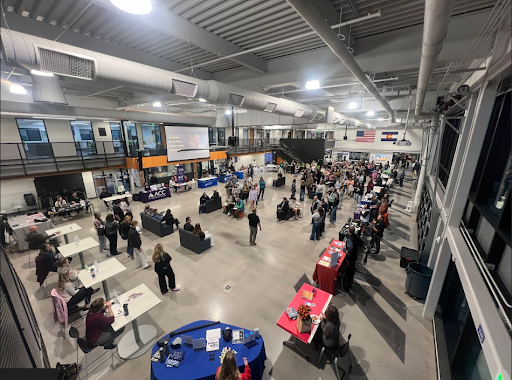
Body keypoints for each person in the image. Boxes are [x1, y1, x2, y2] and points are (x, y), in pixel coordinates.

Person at [345, 226, 359, 290]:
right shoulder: (356, 236)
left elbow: (350, 247)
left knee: (349, 270)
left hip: (350, 257)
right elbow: (361, 242)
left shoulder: (349, 238)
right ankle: (351, 281)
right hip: (355, 255)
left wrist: (347, 252)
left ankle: (348, 285)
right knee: (352, 269)